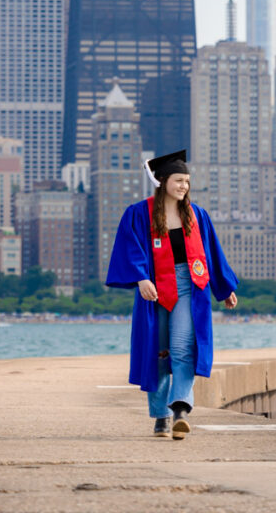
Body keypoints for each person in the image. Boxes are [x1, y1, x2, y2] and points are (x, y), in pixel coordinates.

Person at [106, 150, 238, 440]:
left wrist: (224, 288)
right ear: (163, 180)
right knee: (158, 352)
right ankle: (161, 416)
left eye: (187, 182)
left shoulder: (196, 215)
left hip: (190, 285)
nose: (184, 187)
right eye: (179, 180)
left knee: (182, 347)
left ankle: (180, 409)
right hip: (154, 288)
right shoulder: (139, 213)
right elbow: (130, 248)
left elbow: (212, 254)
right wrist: (141, 277)